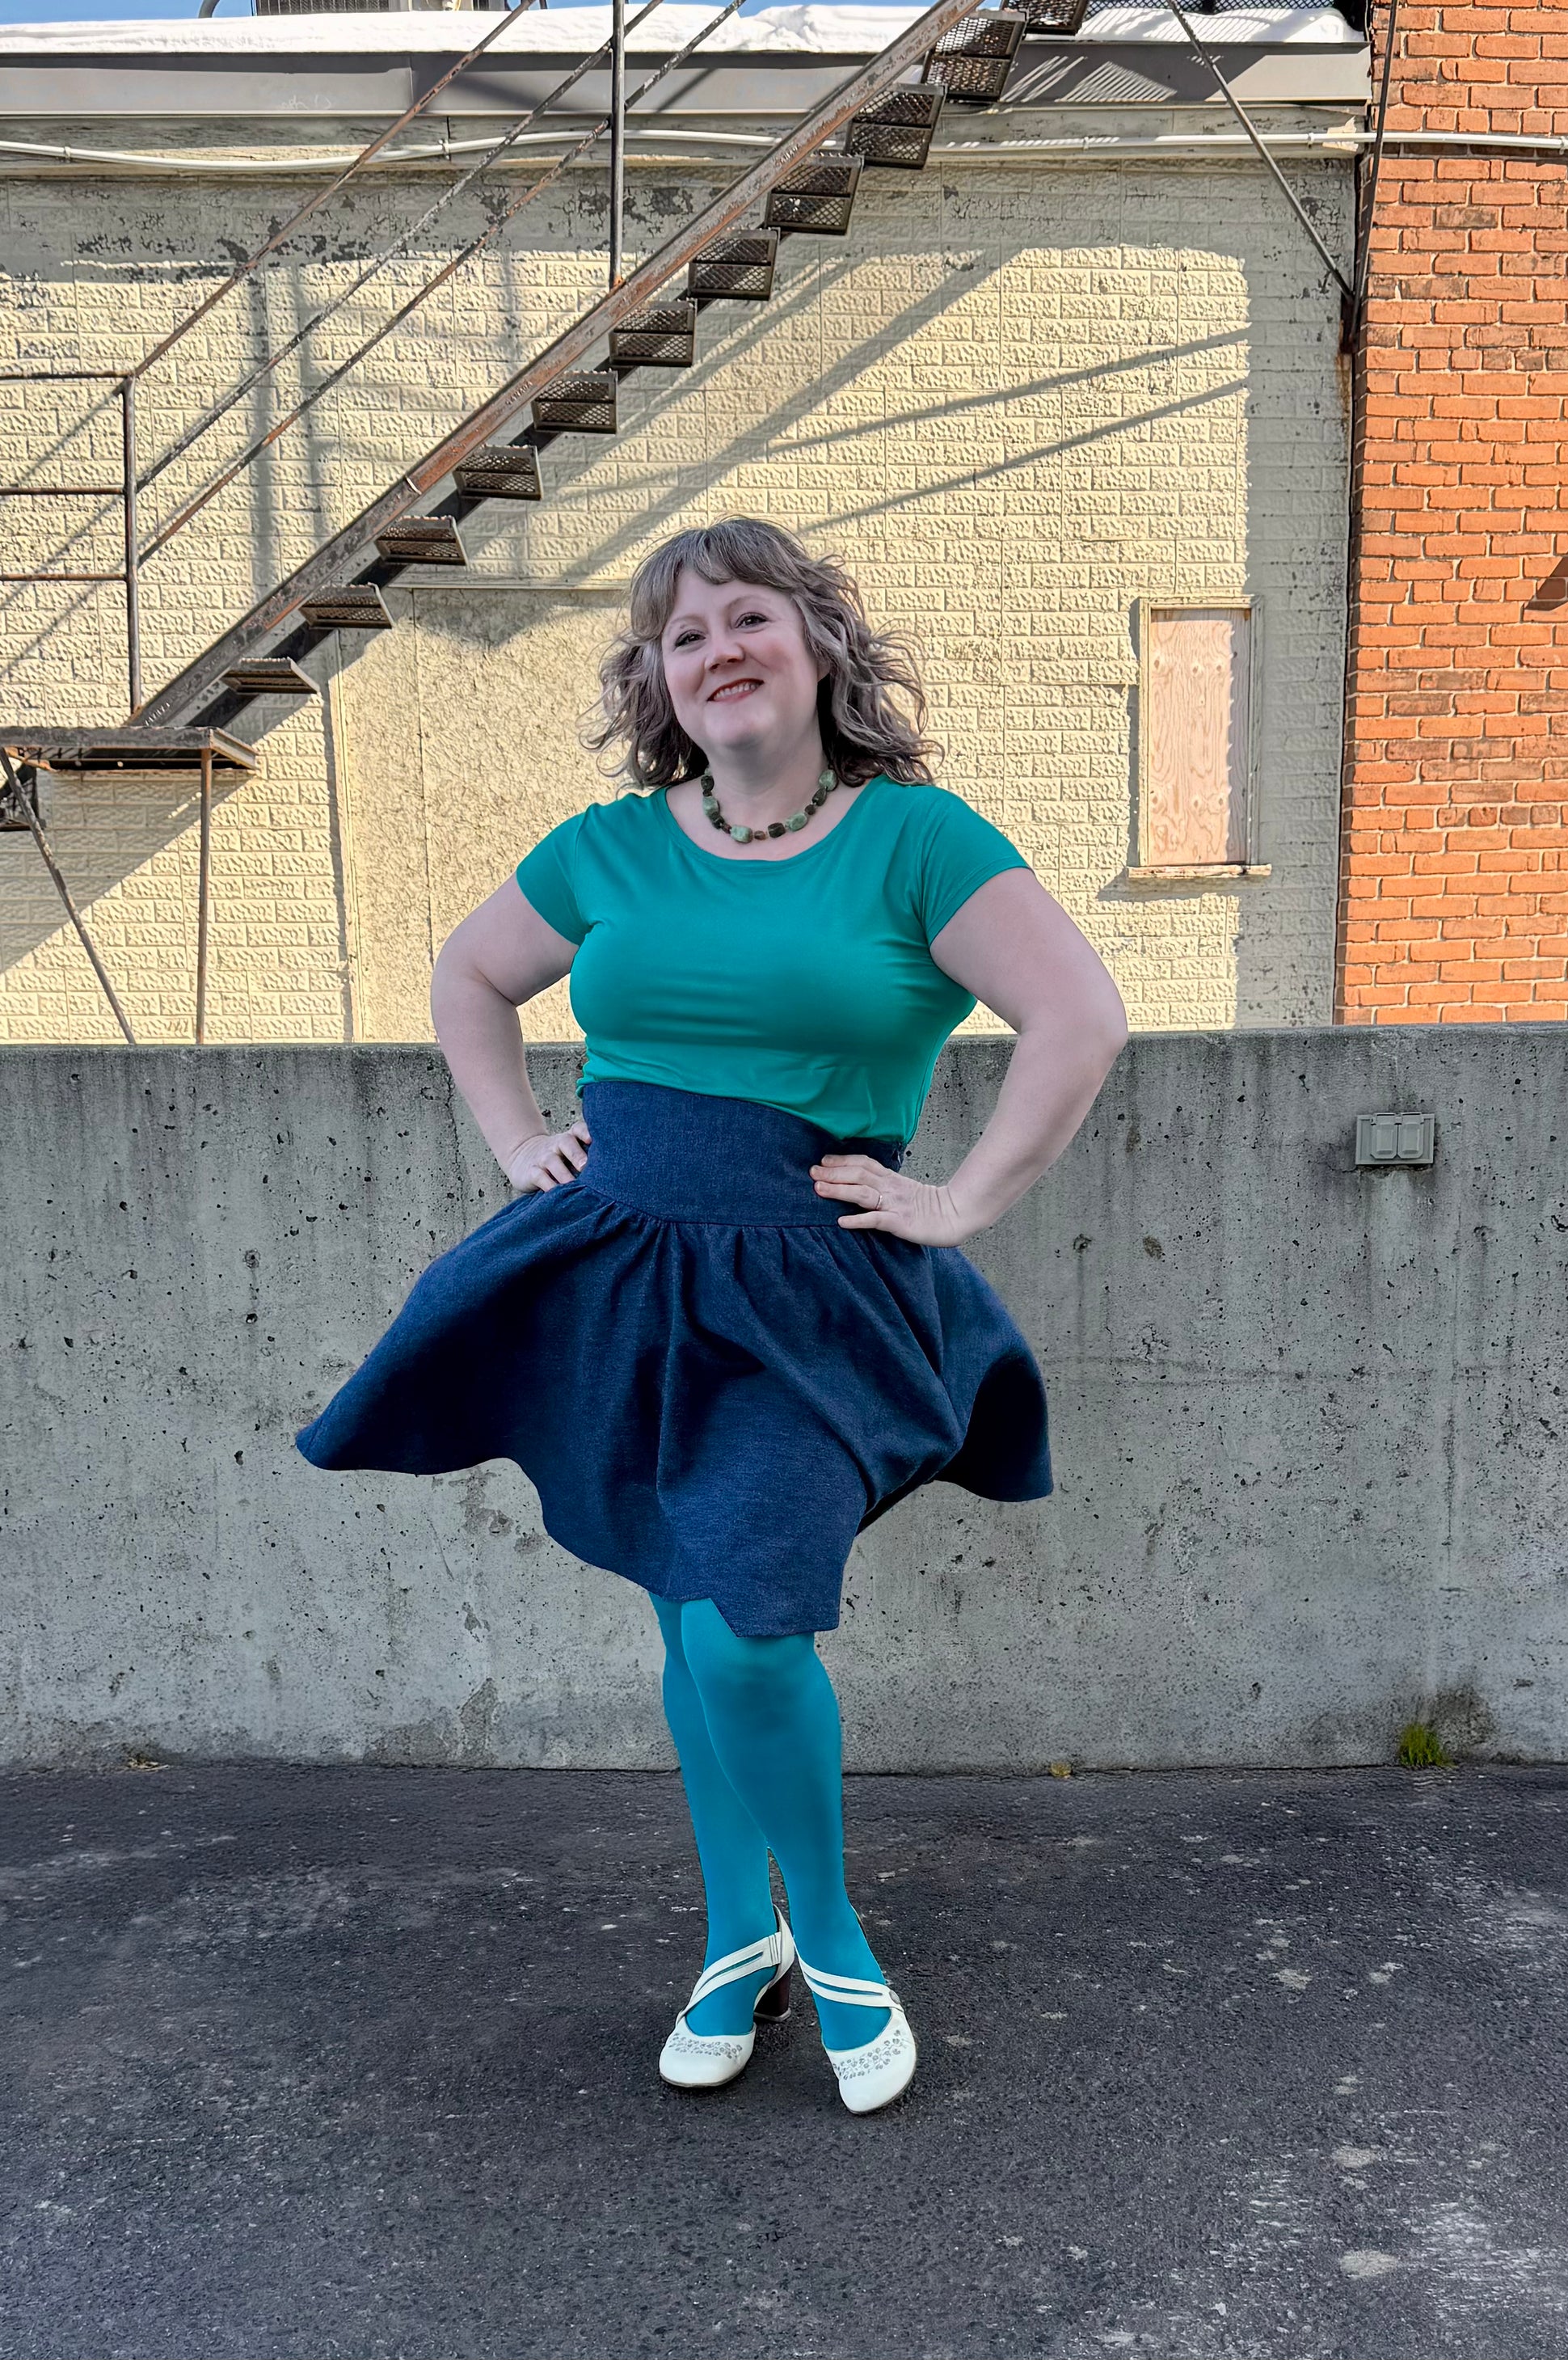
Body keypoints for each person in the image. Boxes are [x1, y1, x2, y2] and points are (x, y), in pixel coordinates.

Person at [297, 517, 1128, 2116]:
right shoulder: (611, 847)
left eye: (747, 617)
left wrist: (959, 1202)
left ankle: (833, 1936)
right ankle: (737, 1935)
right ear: (658, 679)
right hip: (615, 1269)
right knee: (687, 1604)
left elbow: (1076, 1016)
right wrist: (516, 1139)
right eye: (684, 635)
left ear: (818, 645)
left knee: (747, 1620)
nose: (718, 650)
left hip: (803, 1289)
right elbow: (471, 978)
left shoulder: (913, 840)